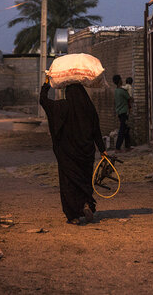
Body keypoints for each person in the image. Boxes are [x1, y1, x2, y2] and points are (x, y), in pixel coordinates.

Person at [40, 78, 106, 224]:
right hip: (86, 154)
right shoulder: (89, 108)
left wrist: (46, 84)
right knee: (84, 181)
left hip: (67, 155)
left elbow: (44, 101)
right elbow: (96, 131)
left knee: (68, 183)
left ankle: (73, 216)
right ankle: (86, 204)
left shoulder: (62, 107)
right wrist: (103, 150)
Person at [113, 75, 132, 152]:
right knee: (122, 129)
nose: (122, 80)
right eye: (121, 79)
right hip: (124, 112)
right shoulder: (122, 91)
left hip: (120, 112)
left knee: (126, 129)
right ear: (119, 81)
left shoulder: (116, 91)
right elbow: (129, 98)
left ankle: (127, 146)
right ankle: (118, 147)